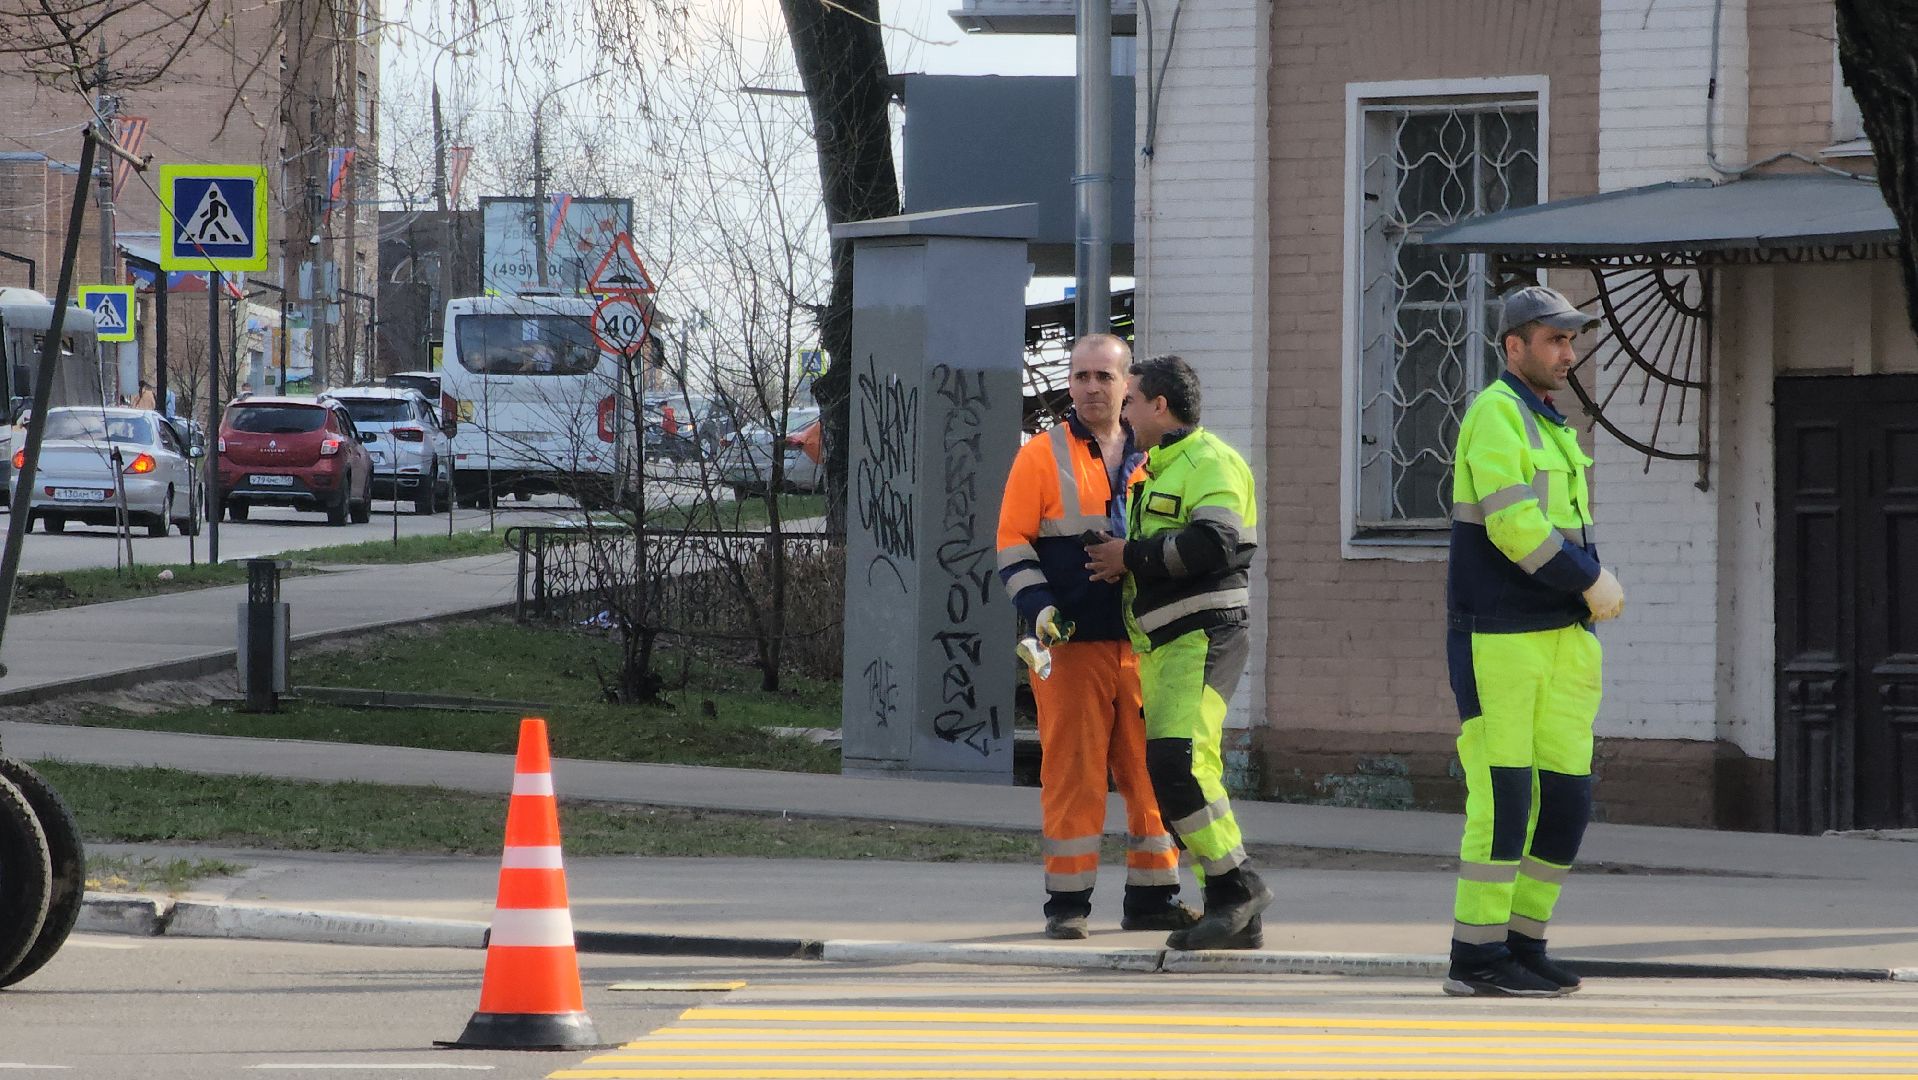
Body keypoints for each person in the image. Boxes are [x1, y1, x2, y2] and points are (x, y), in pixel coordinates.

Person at [1440, 285, 1624, 998]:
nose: (1568, 353)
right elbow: (1515, 529)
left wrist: (1585, 595)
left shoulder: (1550, 424)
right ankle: (1477, 958)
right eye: (1554, 339)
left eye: (1571, 340)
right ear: (1514, 346)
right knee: (1505, 801)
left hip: (1562, 640)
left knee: (1566, 800)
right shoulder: (1497, 414)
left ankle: (1522, 943)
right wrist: (1591, 582)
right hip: (1501, 638)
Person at [996, 334, 1197, 940]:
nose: (1089, 387)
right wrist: (1038, 607)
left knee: (1153, 773)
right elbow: (1011, 541)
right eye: (1079, 376)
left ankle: (1154, 896)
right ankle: (1067, 905)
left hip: (1146, 644)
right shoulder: (1040, 455)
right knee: (1073, 774)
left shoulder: (1161, 454)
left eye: (1103, 378)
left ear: (1127, 382)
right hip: (1072, 643)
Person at [1085, 354, 1266, 951]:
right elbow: (1171, 550)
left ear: (1159, 405)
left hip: (1202, 638)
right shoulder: (1156, 471)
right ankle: (1234, 907)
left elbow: (1215, 542)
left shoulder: (1210, 460)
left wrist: (1130, 557)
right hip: (1168, 647)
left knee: (1180, 766)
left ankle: (1236, 890)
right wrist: (1122, 557)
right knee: (1185, 770)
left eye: (1131, 399)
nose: (1124, 411)